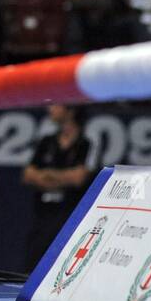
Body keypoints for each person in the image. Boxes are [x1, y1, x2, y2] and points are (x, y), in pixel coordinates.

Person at [21, 104, 94, 271]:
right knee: (32, 265)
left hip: (71, 216)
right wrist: (64, 177)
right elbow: (28, 175)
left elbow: (79, 178)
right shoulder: (46, 141)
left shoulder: (87, 143)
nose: (50, 108)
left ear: (71, 110)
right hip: (42, 216)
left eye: (56, 104)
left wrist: (46, 175)